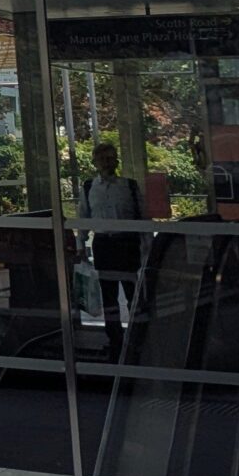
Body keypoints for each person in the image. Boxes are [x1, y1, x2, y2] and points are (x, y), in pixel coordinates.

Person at [79, 140, 145, 355]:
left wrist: (148, 247)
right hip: (103, 244)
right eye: (102, 159)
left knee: (132, 293)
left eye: (110, 158)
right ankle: (115, 338)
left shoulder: (129, 186)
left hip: (126, 242)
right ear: (95, 163)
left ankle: (138, 335)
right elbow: (83, 217)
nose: (107, 163)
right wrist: (81, 245)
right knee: (109, 296)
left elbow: (143, 217)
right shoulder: (89, 187)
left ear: (116, 161)